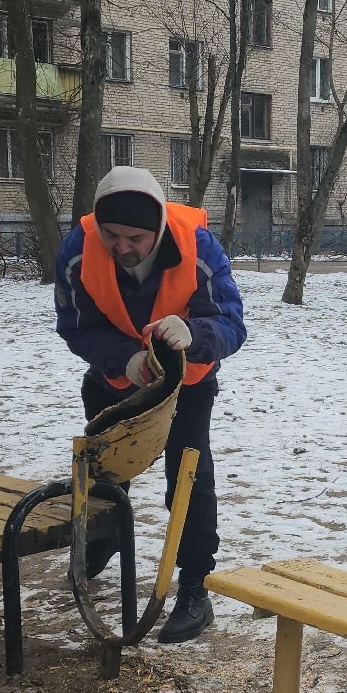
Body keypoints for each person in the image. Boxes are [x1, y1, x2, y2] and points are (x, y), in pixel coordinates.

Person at [54, 166, 247, 643]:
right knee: (102, 464)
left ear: (158, 227)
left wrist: (195, 333)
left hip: (187, 384)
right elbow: (75, 325)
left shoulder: (200, 248)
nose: (121, 247)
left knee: (187, 477)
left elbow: (232, 326)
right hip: (114, 374)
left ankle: (195, 587)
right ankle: (105, 537)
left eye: (135, 237)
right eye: (111, 234)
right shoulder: (77, 251)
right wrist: (126, 359)